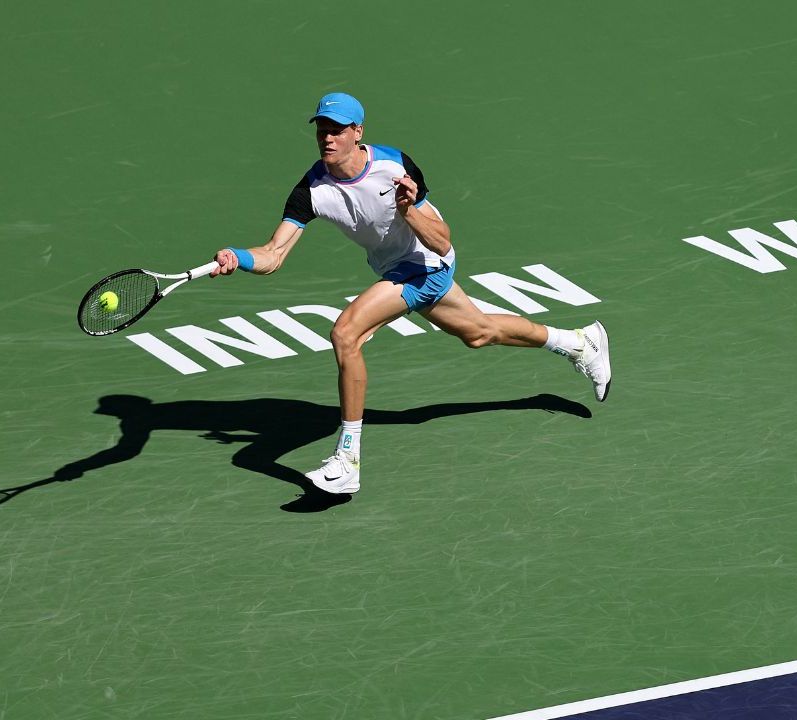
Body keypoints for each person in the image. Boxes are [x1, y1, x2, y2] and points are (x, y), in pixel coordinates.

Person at [210, 92, 611, 496]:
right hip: (393, 269)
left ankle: (347, 459)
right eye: (321, 131)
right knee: (478, 333)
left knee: (346, 333)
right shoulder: (312, 188)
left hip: (425, 266)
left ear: (357, 132)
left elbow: (442, 243)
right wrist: (237, 257)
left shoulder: (393, 166)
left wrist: (408, 210)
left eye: (336, 131)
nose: (327, 139)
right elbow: (274, 254)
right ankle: (579, 343)